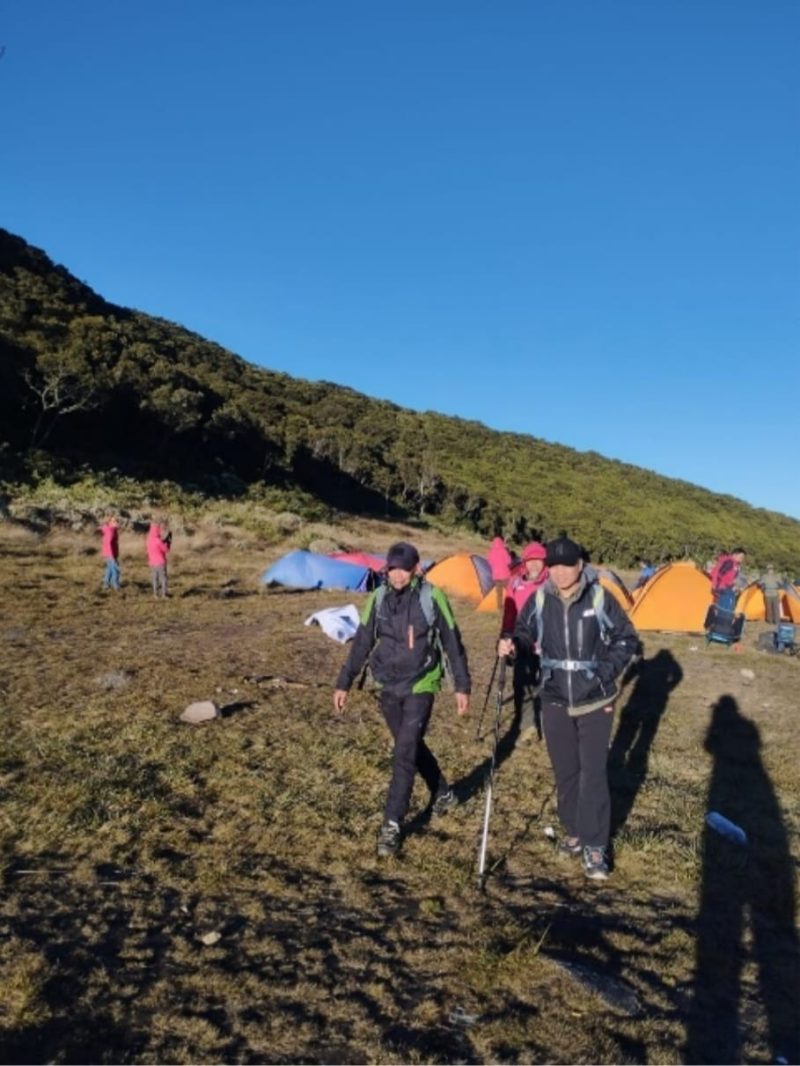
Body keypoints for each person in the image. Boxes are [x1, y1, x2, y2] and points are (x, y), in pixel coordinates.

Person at [498, 536, 639, 881]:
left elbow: (627, 639)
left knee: (593, 773)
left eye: (568, 565)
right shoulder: (540, 597)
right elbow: (524, 630)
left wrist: (603, 673)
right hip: (555, 696)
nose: (561, 572)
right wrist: (512, 645)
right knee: (566, 772)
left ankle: (595, 845)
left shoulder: (600, 596)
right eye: (555, 566)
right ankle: (575, 832)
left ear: (580, 565)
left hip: (596, 700)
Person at [333, 541, 471, 857]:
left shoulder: (431, 597)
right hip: (387, 685)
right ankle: (443, 793)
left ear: (416, 568)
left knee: (404, 752)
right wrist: (344, 682)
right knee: (410, 747)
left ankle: (392, 825)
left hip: (422, 683)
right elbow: (362, 642)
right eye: (392, 569)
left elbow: (453, 642)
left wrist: (461, 686)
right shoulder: (378, 599)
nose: (397, 576)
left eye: (403, 570)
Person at [500, 542, 548, 743]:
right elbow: (510, 612)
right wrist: (505, 634)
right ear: (525, 562)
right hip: (521, 641)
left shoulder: (552, 583)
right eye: (530, 561)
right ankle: (528, 726)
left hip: (548, 644)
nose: (534, 565)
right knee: (521, 683)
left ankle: (549, 726)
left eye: (538, 560)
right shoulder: (515, 583)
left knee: (549, 685)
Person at [487, 536, 513, 610]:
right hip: (505, 575)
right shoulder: (503, 551)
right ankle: (511, 605)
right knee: (509, 591)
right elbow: (509, 561)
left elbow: (489, 562)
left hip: (496, 576)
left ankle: (499, 607)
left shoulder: (491, 552)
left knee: (499, 593)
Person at [146, 521, 171, 598]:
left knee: (154, 578)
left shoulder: (148, 540)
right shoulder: (158, 541)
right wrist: (167, 542)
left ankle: (155, 594)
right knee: (163, 578)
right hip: (160, 562)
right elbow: (166, 550)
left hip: (152, 563)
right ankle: (164, 594)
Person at [99, 515, 121, 591]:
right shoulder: (110, 531)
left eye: (117, 521)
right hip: (110, 554)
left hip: (110, 553)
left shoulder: (112, 530)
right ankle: (115, 584)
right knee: (115, 569)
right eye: (114, 521)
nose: (117, 523)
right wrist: (112, 556)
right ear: (110, 523)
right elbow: (108, 544)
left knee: (109, 568)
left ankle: (106, 584)